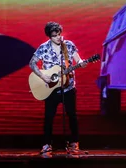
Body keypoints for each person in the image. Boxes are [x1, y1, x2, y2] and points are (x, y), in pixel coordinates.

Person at [29, 21, 87, 157]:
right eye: (55, 36)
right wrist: (43, 76)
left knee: (72, 115)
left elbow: (78, 60)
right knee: (49, 117)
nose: (58, 38)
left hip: (68, 87)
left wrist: (81, 63)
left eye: (59, 34)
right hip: (51, 89)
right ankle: (47, 144)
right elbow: (32, 63)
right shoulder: (43, 48)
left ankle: (74, 143)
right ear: (49, 36)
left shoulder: (68, 46)